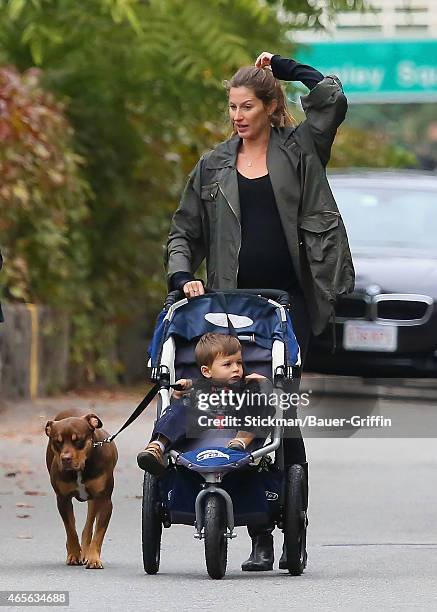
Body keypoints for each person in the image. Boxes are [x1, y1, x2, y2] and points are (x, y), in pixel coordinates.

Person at [165, 51, 355, 570]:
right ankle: (253, 529)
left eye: (247, 106)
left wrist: (289, 69)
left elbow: (332, 98)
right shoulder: (214, 165)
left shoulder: (302, 149)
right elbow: (184, 232)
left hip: (288, 306)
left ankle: (280, 523)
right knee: (234, 413)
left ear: (271, 107)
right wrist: (182, 276)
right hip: (230, 310)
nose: (238, 116)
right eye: (232, 107)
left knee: (276, 413)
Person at [137, 332, 273, 475]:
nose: (236, 368)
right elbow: (178, 416)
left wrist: (264, 384)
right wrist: (177, 396)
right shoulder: (196, 387)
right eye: (228, 364)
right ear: (207, 371)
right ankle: (157, 446)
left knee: (256, 400)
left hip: (236, 433)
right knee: (177, 411)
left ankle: (240, 442)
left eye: (239, 362)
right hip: (199, 435)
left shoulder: (246, 386)